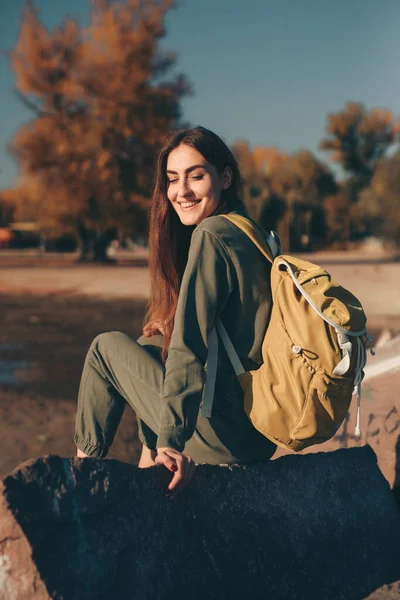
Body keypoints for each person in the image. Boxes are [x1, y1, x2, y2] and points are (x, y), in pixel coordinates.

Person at [74, 126, 277, 499]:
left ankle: (82, 478)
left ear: (225, 176)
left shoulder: (211, 235)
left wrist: (171, 442)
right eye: (172, 179)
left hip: (223, 441)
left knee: (105, 348)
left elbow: (190, 347)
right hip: (259, 436)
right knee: (148, 343)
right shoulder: (254, 234)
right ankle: (146, 465)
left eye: (195, 176)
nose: (180, 191)